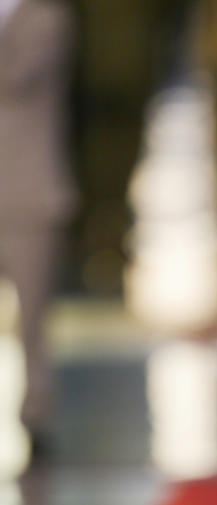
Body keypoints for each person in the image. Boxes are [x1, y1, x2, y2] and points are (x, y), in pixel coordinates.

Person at [0, 0, 76, 456]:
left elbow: (15, 77)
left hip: (29, 193)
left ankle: (36, 420)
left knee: (32, 320)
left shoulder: (46, 18)